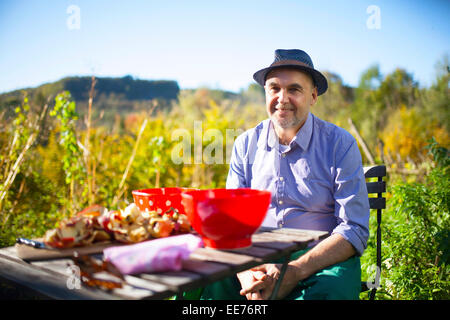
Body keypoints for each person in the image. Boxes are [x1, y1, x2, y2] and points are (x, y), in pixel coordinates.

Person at [190, 49, 370, 300]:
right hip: (253, 258)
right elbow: (230, 225)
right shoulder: (245, 144)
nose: (282, 98)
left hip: (319, 261)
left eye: (294, 89)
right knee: (198, 285)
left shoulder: (339, 144)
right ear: (265, 93)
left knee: (333, 292)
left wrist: (294, 271)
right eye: (274, 88)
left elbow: (353, 228)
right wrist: (247, 274)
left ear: (313, 96)